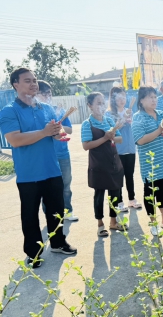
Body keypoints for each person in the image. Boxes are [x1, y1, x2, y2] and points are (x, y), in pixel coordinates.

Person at [0, 68, 77, 268]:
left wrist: (57, 133)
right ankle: (33, 253)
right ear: (15, 84)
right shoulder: (9, 111)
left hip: (52, 169)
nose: (34, 84)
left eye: (35, 80)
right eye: (28, 81)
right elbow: (15, 140)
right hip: (29, 174)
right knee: (30, 215)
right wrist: (44, 132)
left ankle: (58, 243)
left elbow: (57, 134)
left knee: (56, 211)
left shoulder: (45, 108)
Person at [132, 86, 163, 235]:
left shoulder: (161, 114)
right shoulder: (138, 117)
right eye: (150, 97)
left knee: (162, 190)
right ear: (141, 100)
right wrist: (160, 130)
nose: (154, 100)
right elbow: (140, 140)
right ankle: (153, 223)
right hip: (150, 163)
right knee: (150, 191)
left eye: (154, 96)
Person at [81, 92, 127, 237]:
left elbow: (120, 139)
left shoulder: (109, 121)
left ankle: (113, 222)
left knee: (115, 193)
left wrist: (113, 136)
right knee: (99, 195)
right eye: (98, 103)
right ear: (90, 106)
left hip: (113, 162)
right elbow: (86, 145)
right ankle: (100, 224)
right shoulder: (87, 124)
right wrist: (105, 137)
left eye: (103, 103)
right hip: (98, 165)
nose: (101, 106)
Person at [36, 80, 79, 221]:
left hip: (63, 154)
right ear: (36, 94)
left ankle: (67, 210)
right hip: (47, 156)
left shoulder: (57, 111)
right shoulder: (38, 112)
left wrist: (58, 126)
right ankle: (50, 214)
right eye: (44, 93)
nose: (48, 96)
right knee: (48, 186)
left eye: (49, 93)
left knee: (66, 184)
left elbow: (70, 130)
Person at [106, 87, 142, 212]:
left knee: (129, 175)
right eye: (119, 97)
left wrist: (130, 120)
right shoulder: (109, 114)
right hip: (117, 150)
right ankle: (119, 201)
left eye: (123, 96)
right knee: (118, 176)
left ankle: (132, 199)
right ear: (113, 98)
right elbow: (112, 130)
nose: (122, 100)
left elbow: (135, 126)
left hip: (130, 148)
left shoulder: (130, 111)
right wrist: (122, 120)